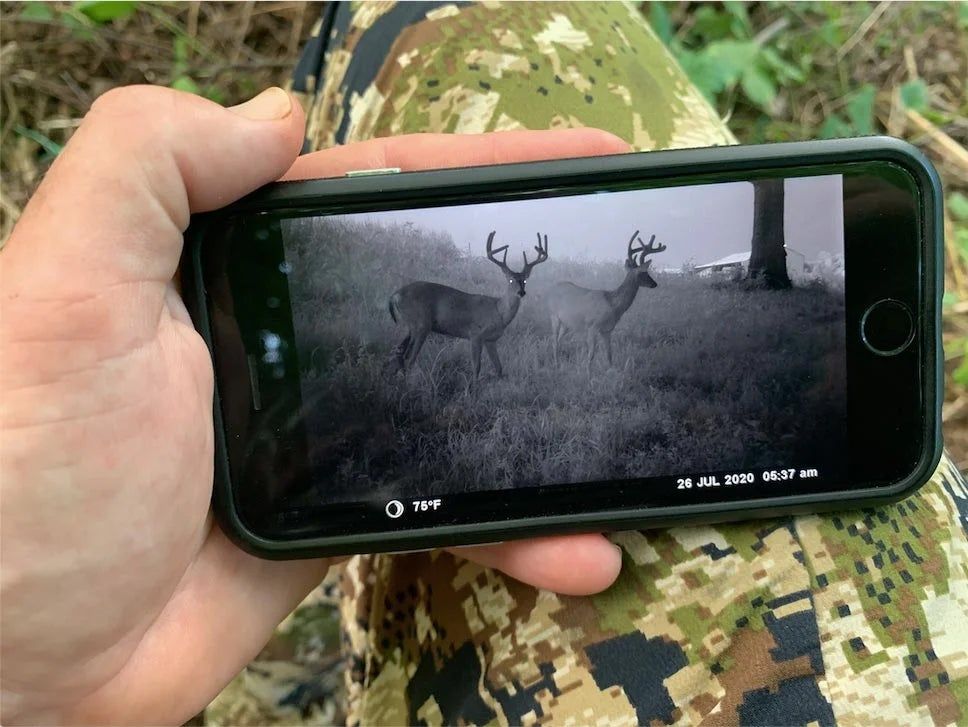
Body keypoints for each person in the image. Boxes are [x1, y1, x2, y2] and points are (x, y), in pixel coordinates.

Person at [1, 3, 964, 726]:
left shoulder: (522, 303)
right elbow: (497, 319)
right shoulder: (485, 302)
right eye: (520, 269)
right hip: (444, 321)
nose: (522, 281)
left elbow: (526, 320)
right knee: (447, 349)